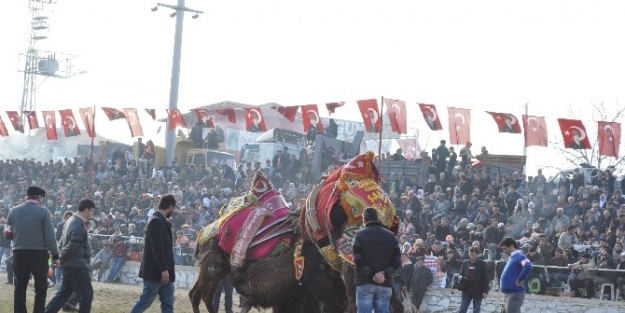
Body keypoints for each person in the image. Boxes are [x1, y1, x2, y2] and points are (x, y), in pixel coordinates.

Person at [5, 186, 60, 313]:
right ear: (39, 197)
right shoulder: (43, 212)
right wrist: (55, 256)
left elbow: (7, 234)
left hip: (19, 253)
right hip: (39, 254)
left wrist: (20, 236)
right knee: (40, 288)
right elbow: (50, 237)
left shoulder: (13, 211)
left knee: (19, 287)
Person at [45, 199, 96, 313]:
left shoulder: (70, 221)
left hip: (69, 265)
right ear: (86, 209)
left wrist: (57, 257)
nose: (92, 214)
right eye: (92, 211)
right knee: (86, 295)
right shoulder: (77, 224)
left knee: (62, 295)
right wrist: (59, 258)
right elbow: (72, 246)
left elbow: (62, 243)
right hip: (77, 265)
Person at [130, 194, 176, 313]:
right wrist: (163, 269)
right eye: (173, 208)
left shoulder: (159, 221)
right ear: (170, 207)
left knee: (168, 303)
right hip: (157, 272)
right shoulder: (156, 221)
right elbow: (157, 248)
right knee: (145, 302)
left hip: (163, 272)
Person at [352, 207, 401, 313]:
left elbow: (357, 259)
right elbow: (397, 261)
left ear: (364, 219)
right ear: (377, 219)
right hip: (385, 283)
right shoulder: (391, 236)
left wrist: (372, 275)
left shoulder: (359, 235)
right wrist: (384, 275)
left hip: (365, 283)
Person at [499, 237, 533, 313]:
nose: (504, 251)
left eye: (505, 248)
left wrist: (520, 279)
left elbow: (528, 266)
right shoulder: (512, 258)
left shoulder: (519, 256)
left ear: (511, 246)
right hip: (509, 294)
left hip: (514, 293)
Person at [458, 246, 489, 313]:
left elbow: (486, 278)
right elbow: (461, 273)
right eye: (470, 255)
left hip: (478, 290)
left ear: (477, 255)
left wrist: (485, 291)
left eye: (473, 255)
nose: (472, 257)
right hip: (466, 289)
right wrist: (460, 277)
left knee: (476, 309)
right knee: (462, 309)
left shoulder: (482, 264)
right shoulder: (465, 263)